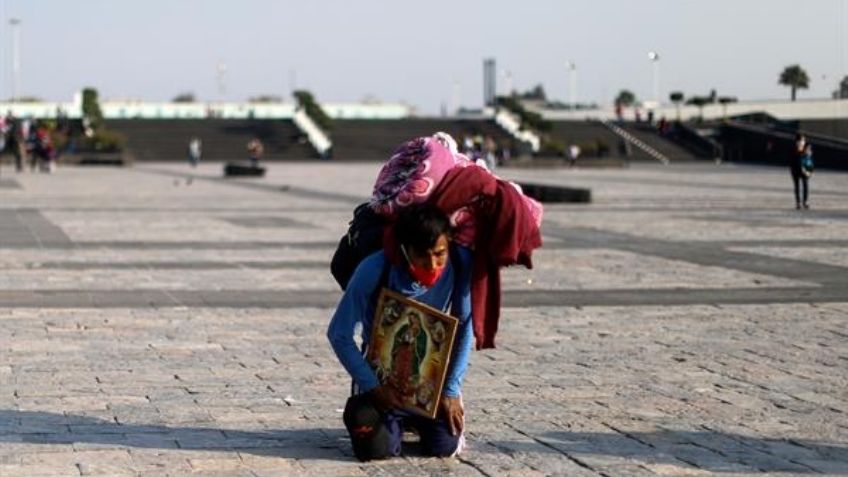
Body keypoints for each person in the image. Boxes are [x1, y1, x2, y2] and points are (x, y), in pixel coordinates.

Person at [327, 204, 473, 461]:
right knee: (375, 449)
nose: (432, 265)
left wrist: (450, 390)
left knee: (445, 445)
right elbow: (339, 334)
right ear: (405, 250)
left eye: (440, 254)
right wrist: (371, 386)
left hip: (428, 382)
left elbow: (464, 326)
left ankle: (415, 421)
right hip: (381, 380)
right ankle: (385, 419)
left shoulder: (459, 264)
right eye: (422, 256)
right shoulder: (375, 268)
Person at [790, 133, 813, 209]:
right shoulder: (793, 149)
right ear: (796, 142)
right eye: (800, 141)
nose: (802, 142)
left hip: (805, 171)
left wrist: (810, 171)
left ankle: (805, 201)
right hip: (795, 170)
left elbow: (809, 161)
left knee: (805, 185)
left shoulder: (807, 149)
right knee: (797, 186)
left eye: (803, 140)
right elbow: (793, 161)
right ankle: (798, 202)